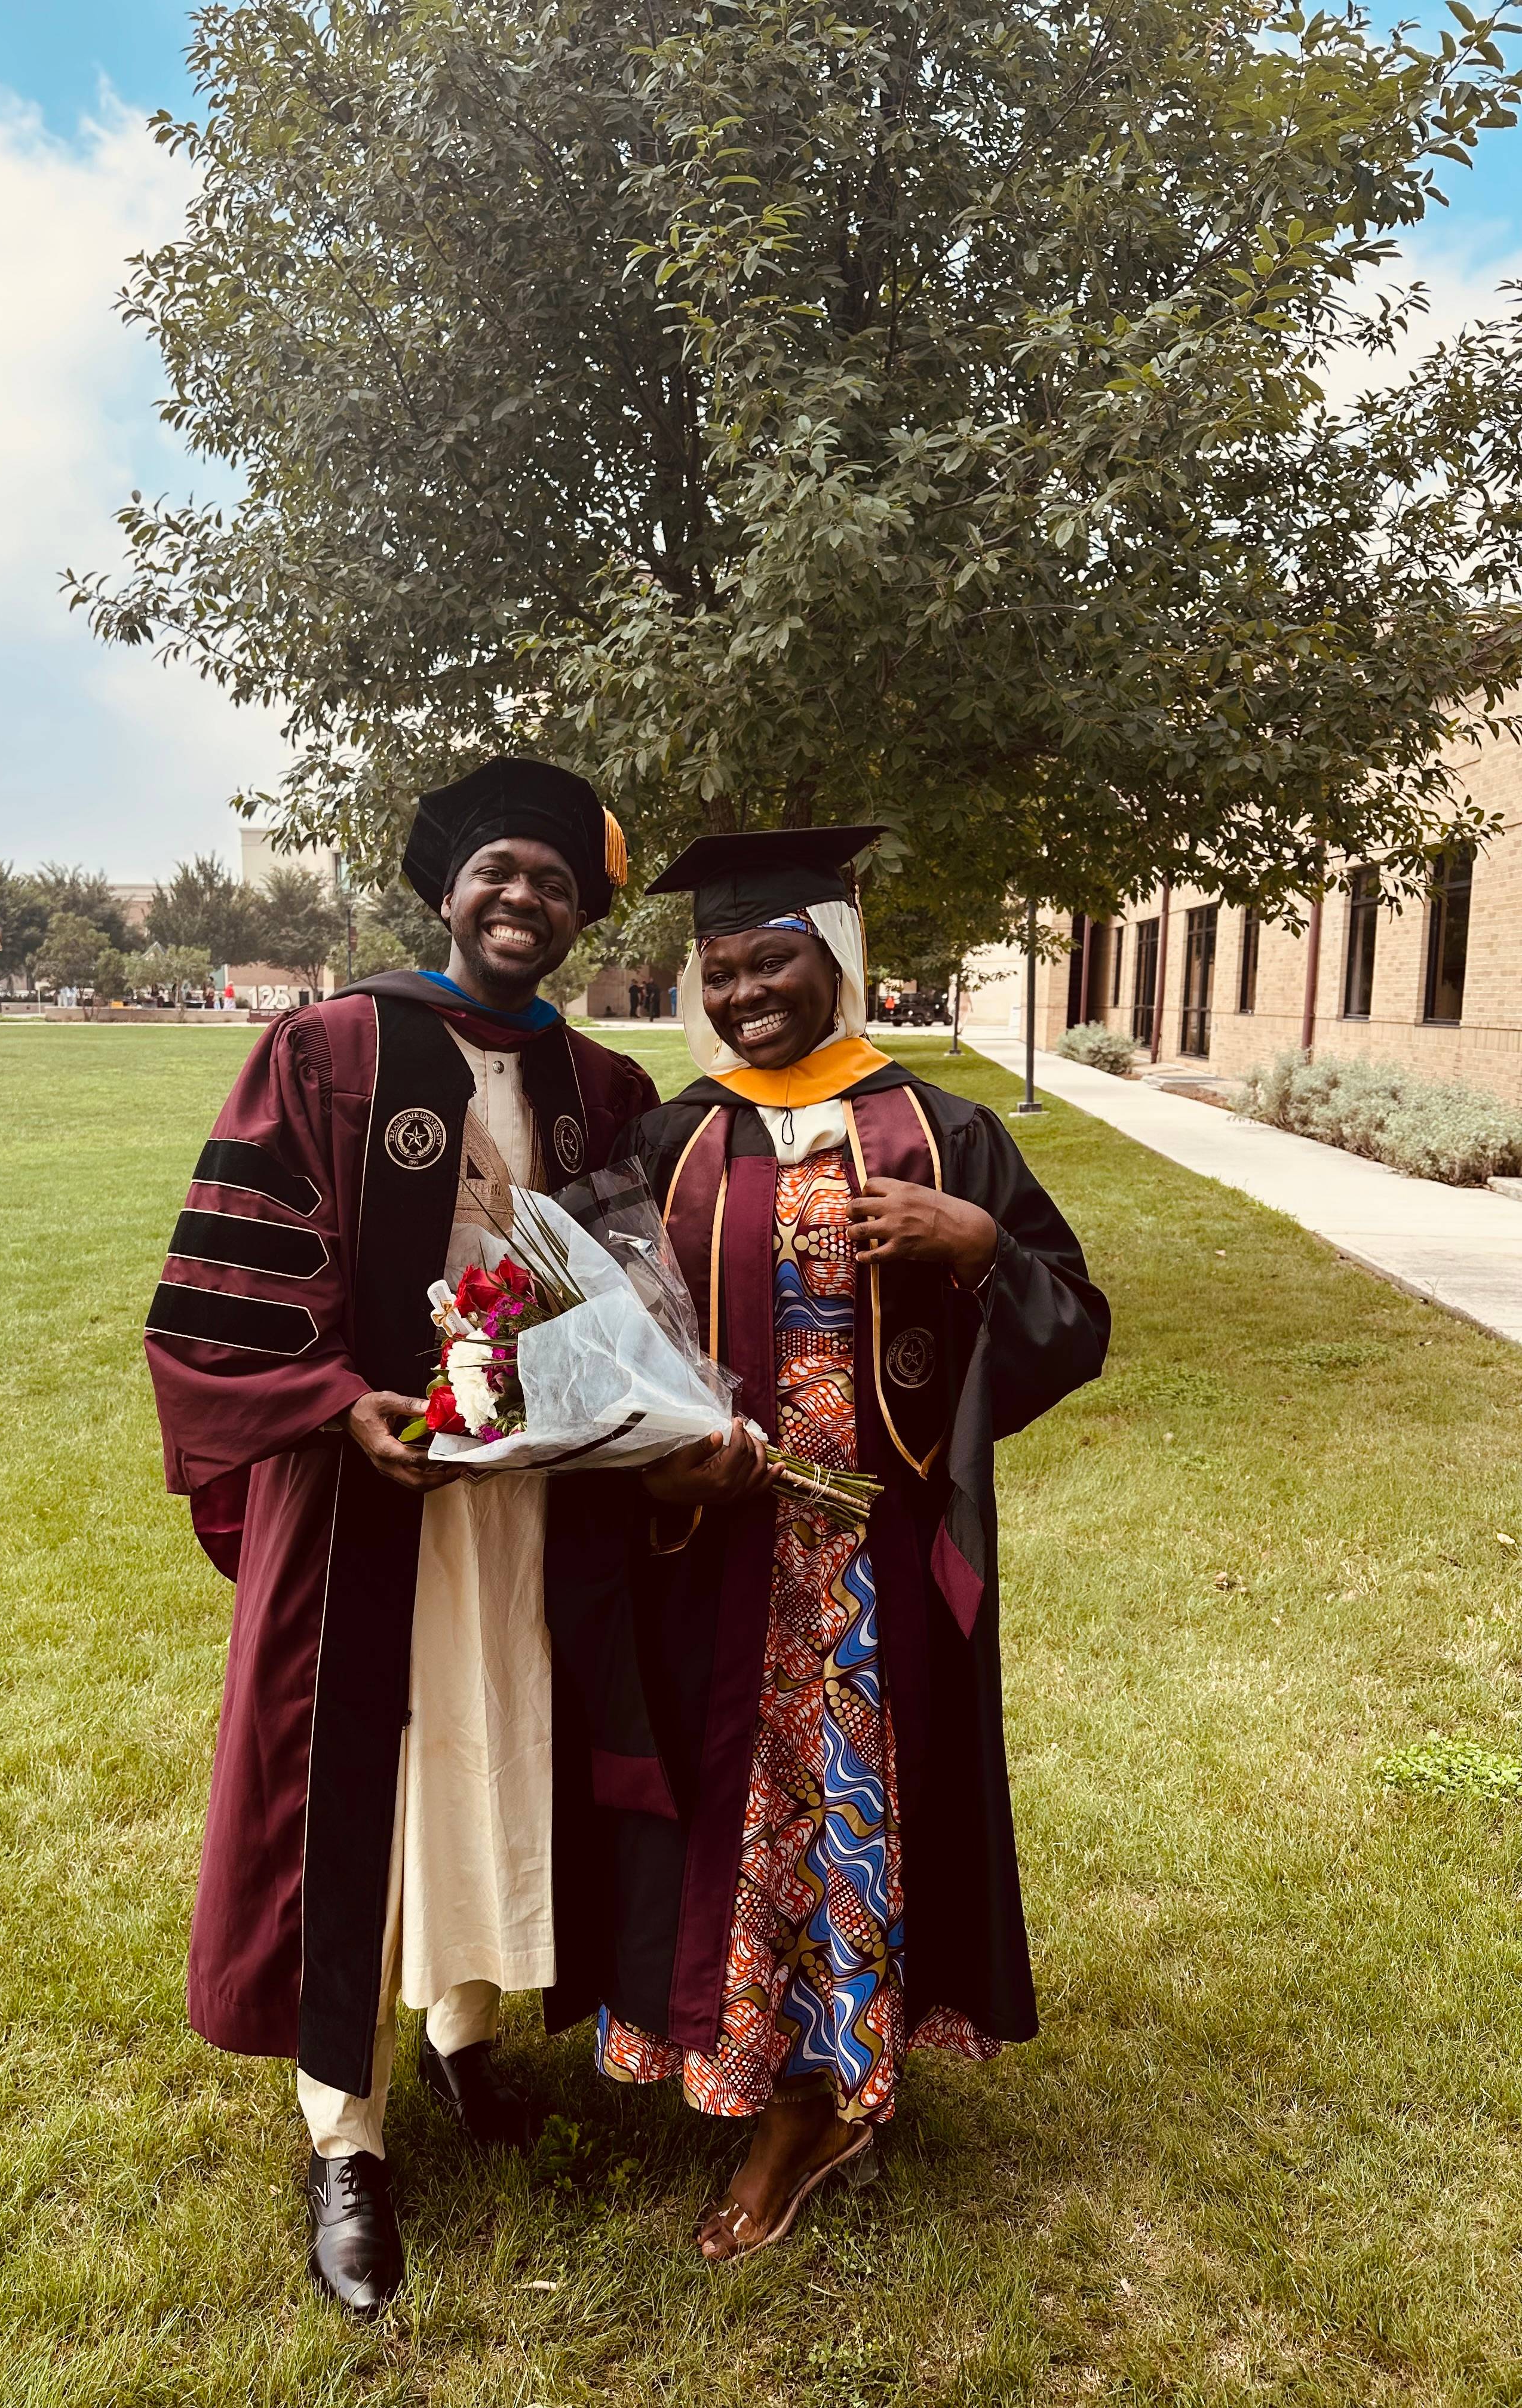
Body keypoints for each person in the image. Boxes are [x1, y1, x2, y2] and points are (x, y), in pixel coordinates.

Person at [143, 757, 656, 2316]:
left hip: (526, 1504)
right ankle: (342, 2130)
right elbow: (227, 1274)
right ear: (448, 890)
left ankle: (464, 2037)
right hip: (366, 1491)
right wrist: (331, 1399)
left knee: (499, 1742)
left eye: (557, 883)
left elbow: (636, 1299)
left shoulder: (601, 1088)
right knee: (347, 1773)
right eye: (501, 871)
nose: (525, 899)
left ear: (581, 916)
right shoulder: (332, 1047)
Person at [572, 827, 1109, 2260]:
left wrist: (973, 1241)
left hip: (878, 1553)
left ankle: (818, 2097)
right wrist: (659, 1445)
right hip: (717, 1548)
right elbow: (610, 1336)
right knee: (736, 1811)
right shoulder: (673, 1138)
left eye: (776, 961)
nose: (748, 993)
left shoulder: (942, 1133)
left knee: (859, 1805)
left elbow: (1077, 1322)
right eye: (725, 969)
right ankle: (763, 2060)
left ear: (839, 960)